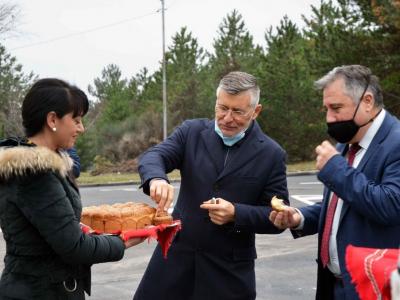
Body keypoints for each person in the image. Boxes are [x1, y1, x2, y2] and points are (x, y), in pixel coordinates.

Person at [134, 71, 289, 300]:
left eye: (237, 111)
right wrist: (157, 178)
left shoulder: (271, 154)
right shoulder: (191, 132)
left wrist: (237, 213)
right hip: (173, 263)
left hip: (228, 274)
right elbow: (153, 157)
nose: (227, 118)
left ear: (256, 111)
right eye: (222, 108)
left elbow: (278, 216)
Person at [0, 78, 143, 300]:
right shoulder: (35, 173)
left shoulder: (43, 165)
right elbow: (74, 246)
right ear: (52, 119)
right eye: (76, 120)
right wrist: (122, 241)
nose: (81, 128)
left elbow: (57, 227)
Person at [269, 65, 400, 299]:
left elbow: (390, 205)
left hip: (375, 288)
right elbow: (340, 207)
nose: (329, 118)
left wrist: (336, 170)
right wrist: (299, 217)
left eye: (336, 108)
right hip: (335, 286)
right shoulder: (347, 143)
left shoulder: (396, 142)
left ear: (367, 101)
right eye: (326, 109)